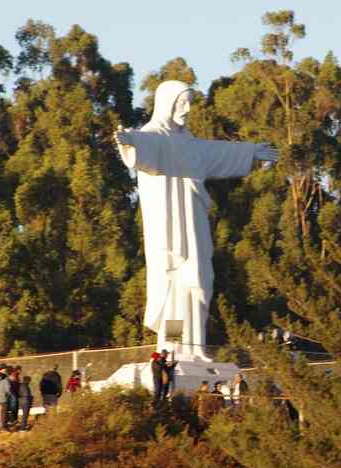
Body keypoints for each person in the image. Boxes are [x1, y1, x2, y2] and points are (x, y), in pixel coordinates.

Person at [115, 81, 278, 360]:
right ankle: (173, 346)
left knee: (201, 283)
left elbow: (219, 152)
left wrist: (252, 152)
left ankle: (195, 348)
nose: (188, 109)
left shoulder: (191, 145)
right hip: (169, 230)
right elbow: (144, 146)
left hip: (194, 223)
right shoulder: (154, 138)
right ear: (168, 104)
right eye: (182, 103)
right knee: (176, 288)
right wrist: (129, 143)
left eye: (189, 102)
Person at [0, 367, 16, 431]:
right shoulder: (6, 381)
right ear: (10, 376)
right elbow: (8, 390)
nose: (14, 378)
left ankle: (2, 425)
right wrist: (12, 395)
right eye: (13, 377)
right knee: (3, 413)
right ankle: (3, 426)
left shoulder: (2, 381)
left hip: (0, 398)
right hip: (3, 399)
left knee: (2, 412)